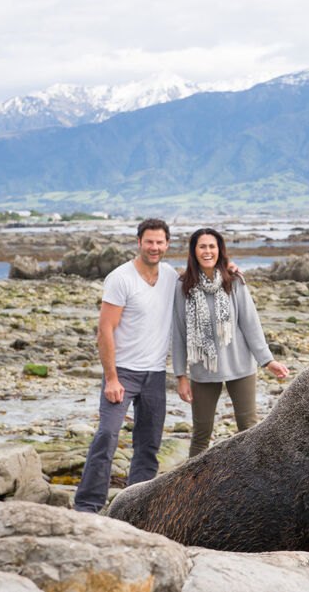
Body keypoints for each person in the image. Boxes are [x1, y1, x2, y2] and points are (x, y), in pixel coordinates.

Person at [74, 218, 177, 513]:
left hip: (156, 375)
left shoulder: (170, 276)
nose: (154, 247)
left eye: (159, 242)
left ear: (167, 244)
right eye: (149, 242)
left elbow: (201, 282)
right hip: (123, 374)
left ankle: (137, 508)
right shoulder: (121, 278)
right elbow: (105, 330)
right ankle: (87, 506)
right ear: (139, 243)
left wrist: (230, 270)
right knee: (106, 435)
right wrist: (111, 378)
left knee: (148, 446)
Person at [173, 227, 289, 457]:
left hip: (240, 366)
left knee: (249, 429)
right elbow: (178, 332)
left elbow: (250, 324)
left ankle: (258, 483)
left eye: (212, 246)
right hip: (203, 369)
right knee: (201, 434)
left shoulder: (234, 281)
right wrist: (181, 376)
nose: (207, 251)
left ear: (219, 250)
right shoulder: (182, 286)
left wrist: (268, 361)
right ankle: (192, 489)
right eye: (202, 246)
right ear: (194, 251)